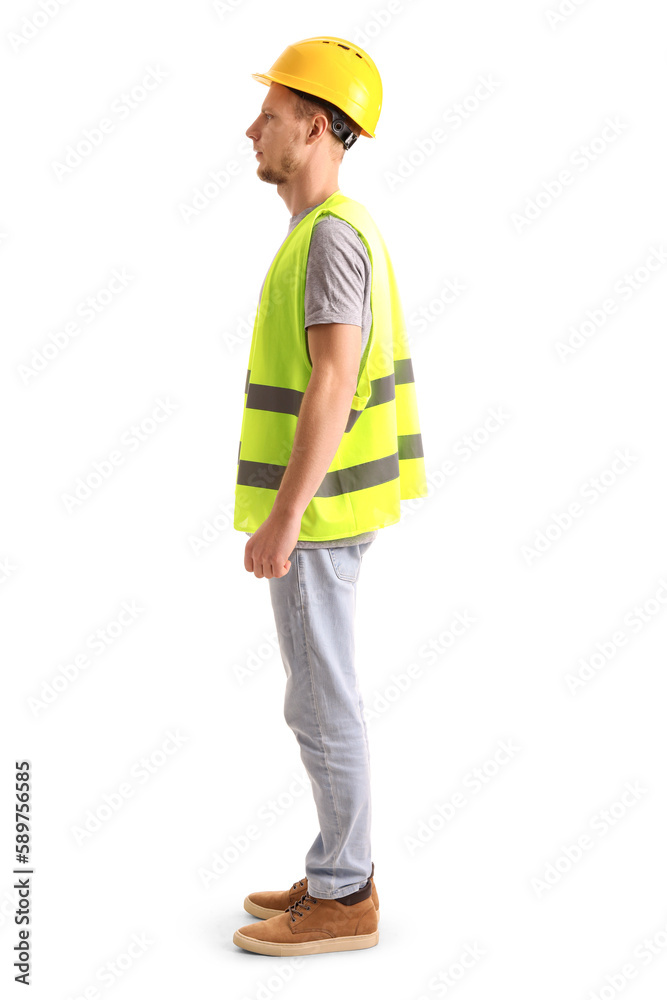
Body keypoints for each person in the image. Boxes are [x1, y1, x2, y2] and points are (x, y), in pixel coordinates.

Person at [232, 35, 427, 957]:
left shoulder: (330, 241)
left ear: (314, 127)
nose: (251, 130)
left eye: (268, 117)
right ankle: (334, 864)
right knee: (317, 694)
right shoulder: (324, 232)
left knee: (321, 699)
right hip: (325, 512)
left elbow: (331, 385)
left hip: (316, 517)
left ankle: (346, 892)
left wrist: (283, 514)